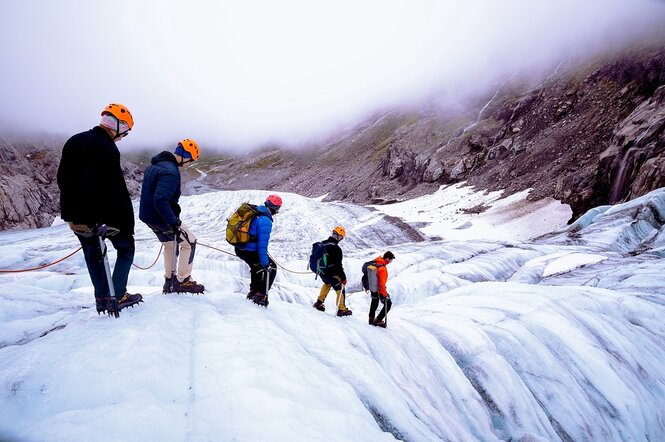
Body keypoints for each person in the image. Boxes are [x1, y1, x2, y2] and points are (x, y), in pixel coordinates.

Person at [57, 103, 143, 316]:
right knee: (126, 248)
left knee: (92, 253)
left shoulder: (74, 140)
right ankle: (118, 294)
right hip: (103, 216)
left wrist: (70, 214)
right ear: (118, 125)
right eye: (125, 131)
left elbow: (63, 179)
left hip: (76, 216)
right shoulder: (107, 148)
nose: (124, 137)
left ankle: (103, 298)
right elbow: (109, 188)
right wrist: (119, 222)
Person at [139, 139, 205, 294]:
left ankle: (169, 281)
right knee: (190, 241)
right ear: (186, 156)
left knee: (170, 244)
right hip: (162, 217)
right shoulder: (171, 172)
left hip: (148, 216)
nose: (189, 164)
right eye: (190, 160)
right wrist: (173, 223)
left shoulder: (155, 165)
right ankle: (183, 280)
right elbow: (160, 199)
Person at [234, 194, 282, 307]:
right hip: (249, 251)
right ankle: (261, 295)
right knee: (271, 267)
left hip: (240, 248)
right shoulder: (265, 221)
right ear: (275, 208)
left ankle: (253, 292)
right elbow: (262, 246)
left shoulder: (255, 211)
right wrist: (266, 264)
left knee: (256, 267)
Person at [312, 226, 353, 317]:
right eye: (341, 237)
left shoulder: (322, 243)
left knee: (327, 284)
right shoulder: (337, 249)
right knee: (340, 288)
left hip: (321, 271)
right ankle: (341, 309)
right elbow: (338, 265)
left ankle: (319, 302)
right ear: (339, 237)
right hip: (332, 273)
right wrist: (343, 277)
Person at [367, 251, 395, 328]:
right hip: (379, 289)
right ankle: (378, 320)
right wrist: (385, 294)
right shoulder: (382, 268)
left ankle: (371, 319)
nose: (391, 262)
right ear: (387, 259)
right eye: (391, 260)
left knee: (374, 301)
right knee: (388, 304)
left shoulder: (376, 262)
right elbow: (382, 284)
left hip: (373, 287)